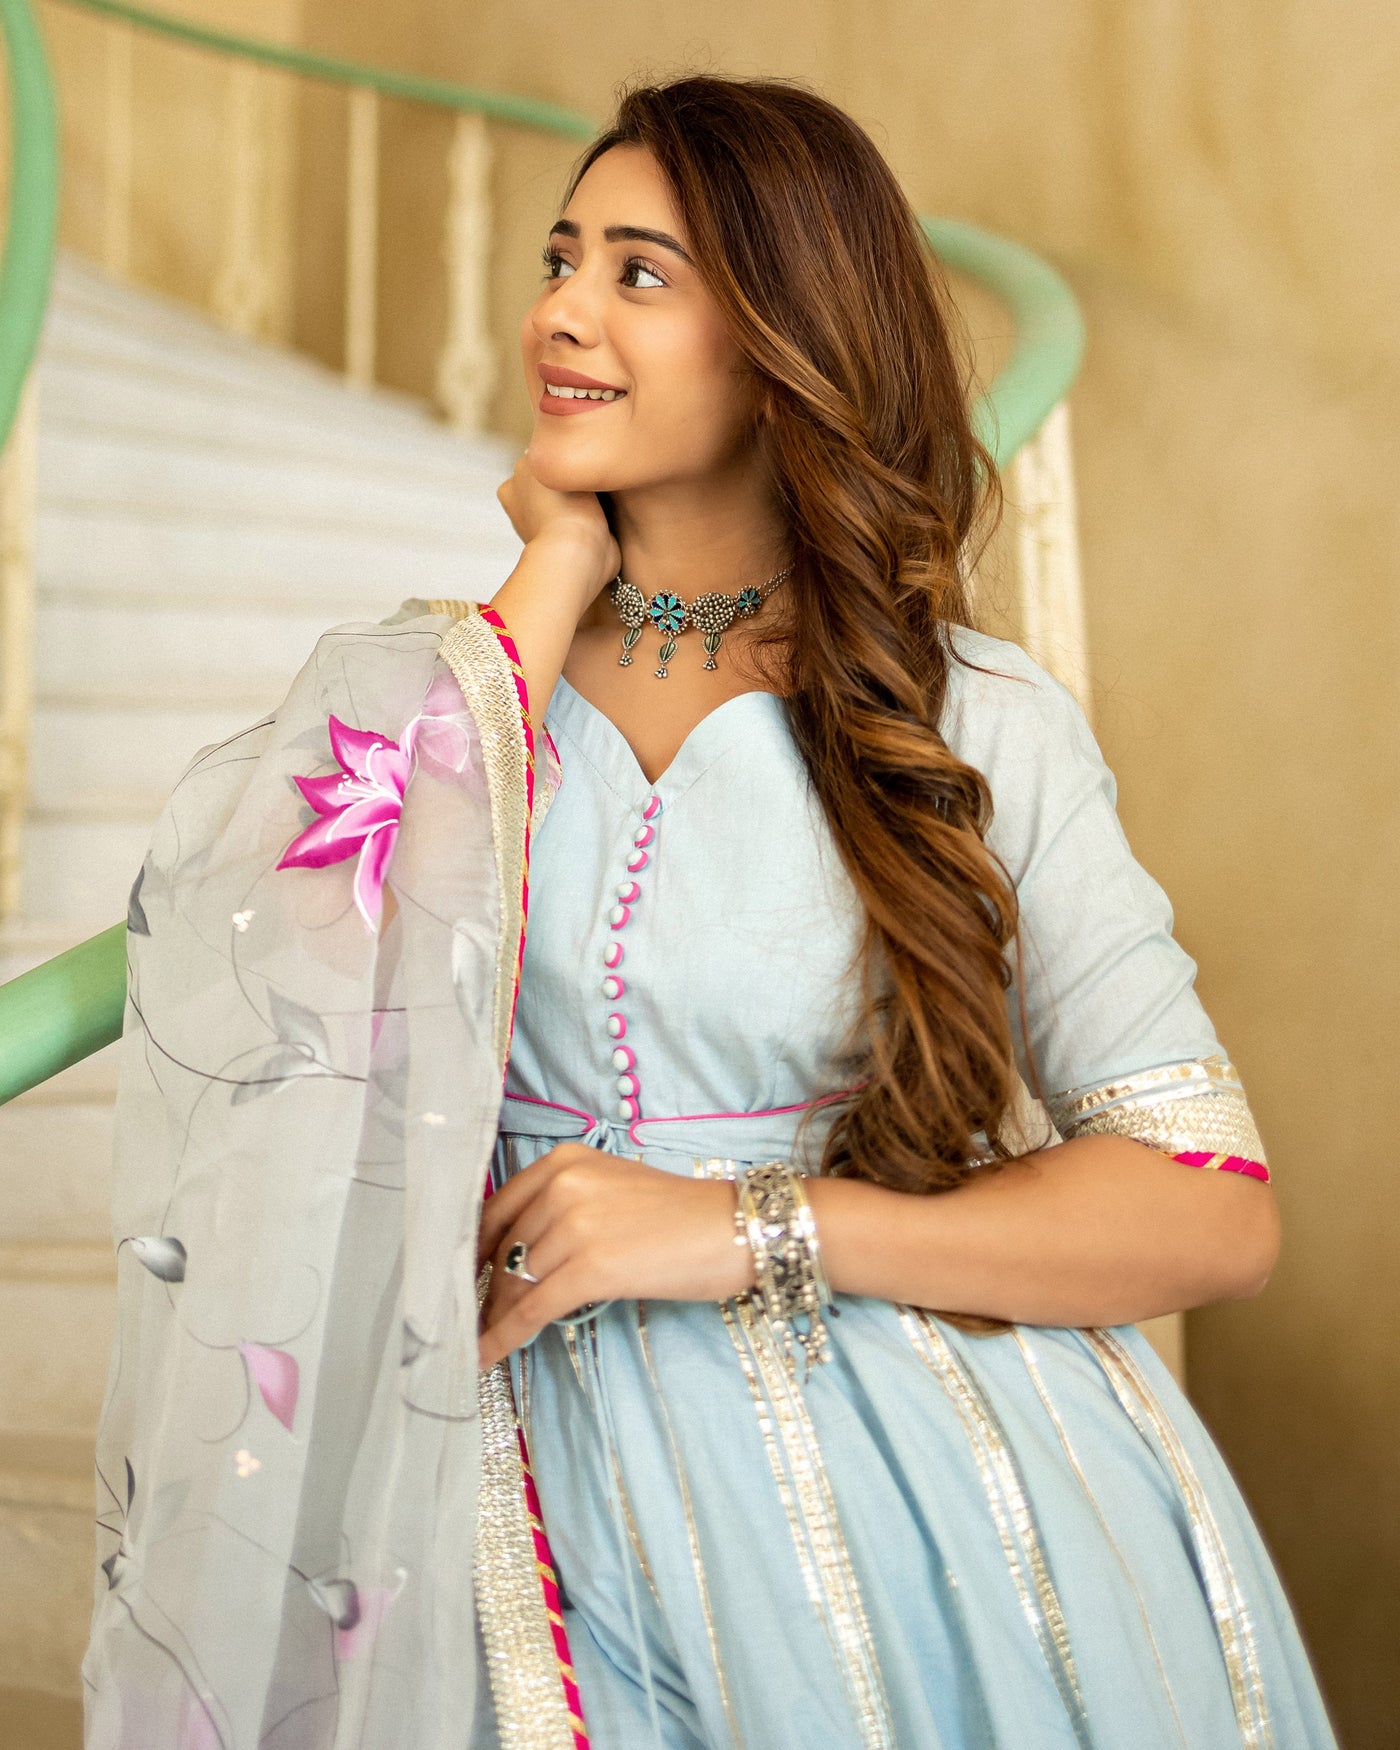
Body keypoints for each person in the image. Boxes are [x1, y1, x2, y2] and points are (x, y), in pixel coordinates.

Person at [82, 75, 1337, 1750]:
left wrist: (746, 1225)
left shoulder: (968, 717)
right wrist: (552, 579)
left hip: (882, 1501)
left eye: (639, 273)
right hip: (471, 1463)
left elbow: (1209, 1204)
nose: (560, 312)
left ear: (779, 341)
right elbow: (266, 995)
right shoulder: (456, 699)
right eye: (560, 258)